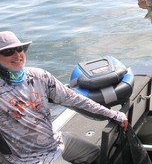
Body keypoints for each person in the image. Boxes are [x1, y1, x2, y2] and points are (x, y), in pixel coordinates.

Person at [0, 31, 129, 164]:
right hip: (27, 159)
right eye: (8, 52)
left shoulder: (39, 76)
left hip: (55, 142)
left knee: (96, 154)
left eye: (19, 49)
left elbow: (74, 98)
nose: (17, 55)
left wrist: (113, 114)